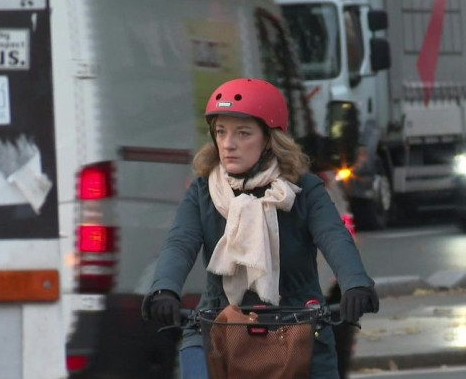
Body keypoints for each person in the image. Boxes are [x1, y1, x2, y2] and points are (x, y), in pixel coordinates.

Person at [141, 78, 379, 378]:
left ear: (270, 138)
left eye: (242, 133)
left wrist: (355, 283)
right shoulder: (202, 191)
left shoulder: (305, 190)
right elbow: (180, 242)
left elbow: (333, 236)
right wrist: (165, 288)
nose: (228, 143)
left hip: (298, 326)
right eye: (220, 132)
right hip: (218, 324)